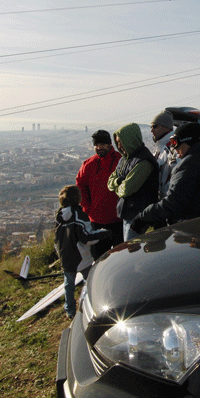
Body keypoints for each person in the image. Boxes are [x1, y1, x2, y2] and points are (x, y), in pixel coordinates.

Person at [131, 122, 200, 234]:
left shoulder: (189, 165)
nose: (174, 148)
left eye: (175, 142)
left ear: (187, 141)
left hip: (191, 229)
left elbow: (173, 202)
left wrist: (143, 217)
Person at [54, 185, 111, 319]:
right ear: (77, 198)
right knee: (90, 281)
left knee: (69, 284)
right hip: (81, 256)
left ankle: (70, 310)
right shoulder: (80, 216)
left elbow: (56, 238)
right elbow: (86, 238)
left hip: (65, 255)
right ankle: (89, 305)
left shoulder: (59, 217)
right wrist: (104, 233)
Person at [108, 123, 159, 241]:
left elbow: (127, 189)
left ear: (130, 140)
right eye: (117, 142)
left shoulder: (144, 161)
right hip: (127, 214)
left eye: (121, 142)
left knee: (132, 248)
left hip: (138, 217)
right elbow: (110, 182)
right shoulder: (124, 159)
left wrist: (117, 187)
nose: (119, 146)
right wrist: (118, 182)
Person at [76, 130, 124, 254]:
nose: (99, 147)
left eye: (102, 144)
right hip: (97, 220)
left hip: (119, 219)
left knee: (121, 256)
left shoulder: (121, 160)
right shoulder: (89, 164)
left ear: (109, 144)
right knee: (99, 257)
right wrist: (87, 208)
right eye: (96, 145)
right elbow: (81, 186)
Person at [150, 110, 177, 199]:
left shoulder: (174, 148)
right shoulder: (159, 148)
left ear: (166, 127)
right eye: (151, 127)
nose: (151, 130)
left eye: (155, 126)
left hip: (168, 201)